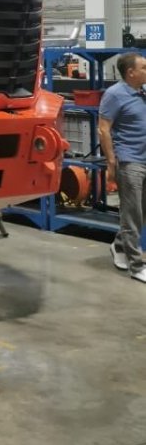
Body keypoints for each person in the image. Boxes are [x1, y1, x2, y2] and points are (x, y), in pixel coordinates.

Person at [98, 51, 146, 282]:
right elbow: (103, 129)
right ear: (131, 72)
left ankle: (119, 245)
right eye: (144, 67)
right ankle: (136, 266)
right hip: (129, 161)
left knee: (140, 213)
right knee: (131, 214)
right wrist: (111, 161)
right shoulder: (114, 94)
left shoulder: (142, 92)